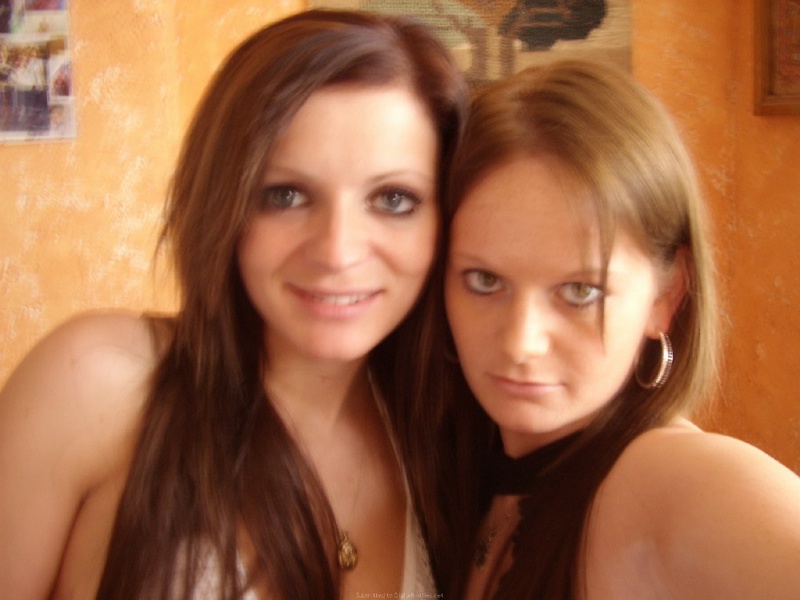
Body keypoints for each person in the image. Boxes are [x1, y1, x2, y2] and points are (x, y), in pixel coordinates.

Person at [0, 9, 471, 599]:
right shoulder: (95, 383)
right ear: (224, 203)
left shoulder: (448, 433)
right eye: (286, 195)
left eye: (394, 199)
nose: (338, 251)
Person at [443, 59, 800, 599]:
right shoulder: (464, 467)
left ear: (665, 297)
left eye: (580, 292)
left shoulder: (675, 481)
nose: (521, 342)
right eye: (485, 280)